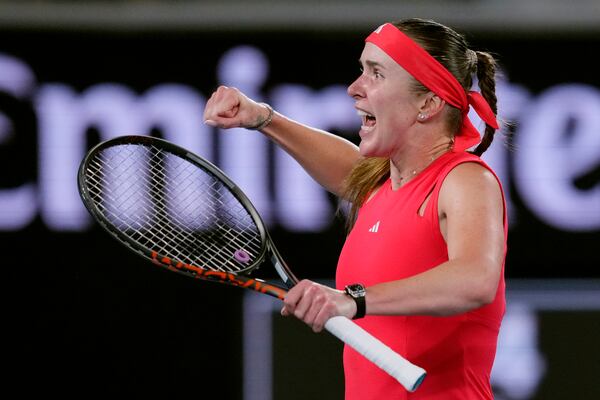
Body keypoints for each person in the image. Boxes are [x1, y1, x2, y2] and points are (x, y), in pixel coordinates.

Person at [204, 18, 507, 400]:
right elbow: (349, 169)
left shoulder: (464, 180)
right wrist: (263, 118)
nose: (354, 88)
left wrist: (352, 299)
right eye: (361, 70)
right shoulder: (383, 188)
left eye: (376, 74)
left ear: (427, 103)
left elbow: (476, 279)